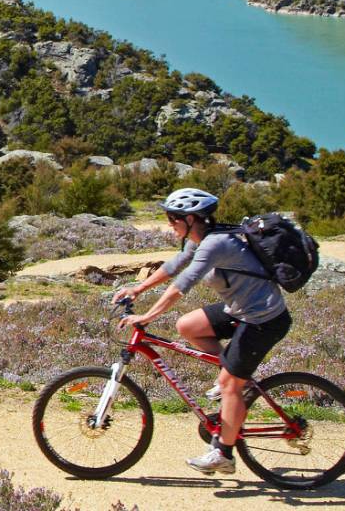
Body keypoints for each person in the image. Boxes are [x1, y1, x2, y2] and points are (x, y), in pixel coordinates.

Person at [113, 187, 293, 476]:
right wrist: (137, 288)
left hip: (263, 319)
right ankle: (236, 379)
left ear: (192, 219)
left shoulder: (215, 244)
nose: (169, 223)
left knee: (230, 385)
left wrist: (146, 315)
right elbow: (174, 266)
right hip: (240, 310)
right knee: (188, 326)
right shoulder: (199, 240)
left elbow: (181, 285)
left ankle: (224, 453)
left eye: (173, 218)